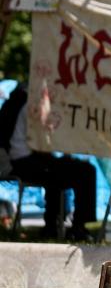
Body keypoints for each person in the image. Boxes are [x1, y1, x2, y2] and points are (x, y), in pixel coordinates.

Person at [0, 85, 97, 241]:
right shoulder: (34, 104)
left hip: (23, 159)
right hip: (23, 161)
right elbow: (40, 144)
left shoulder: (26, 100)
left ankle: (54, 225)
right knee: (81, 172)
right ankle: (75, 226)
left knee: (63, 172)